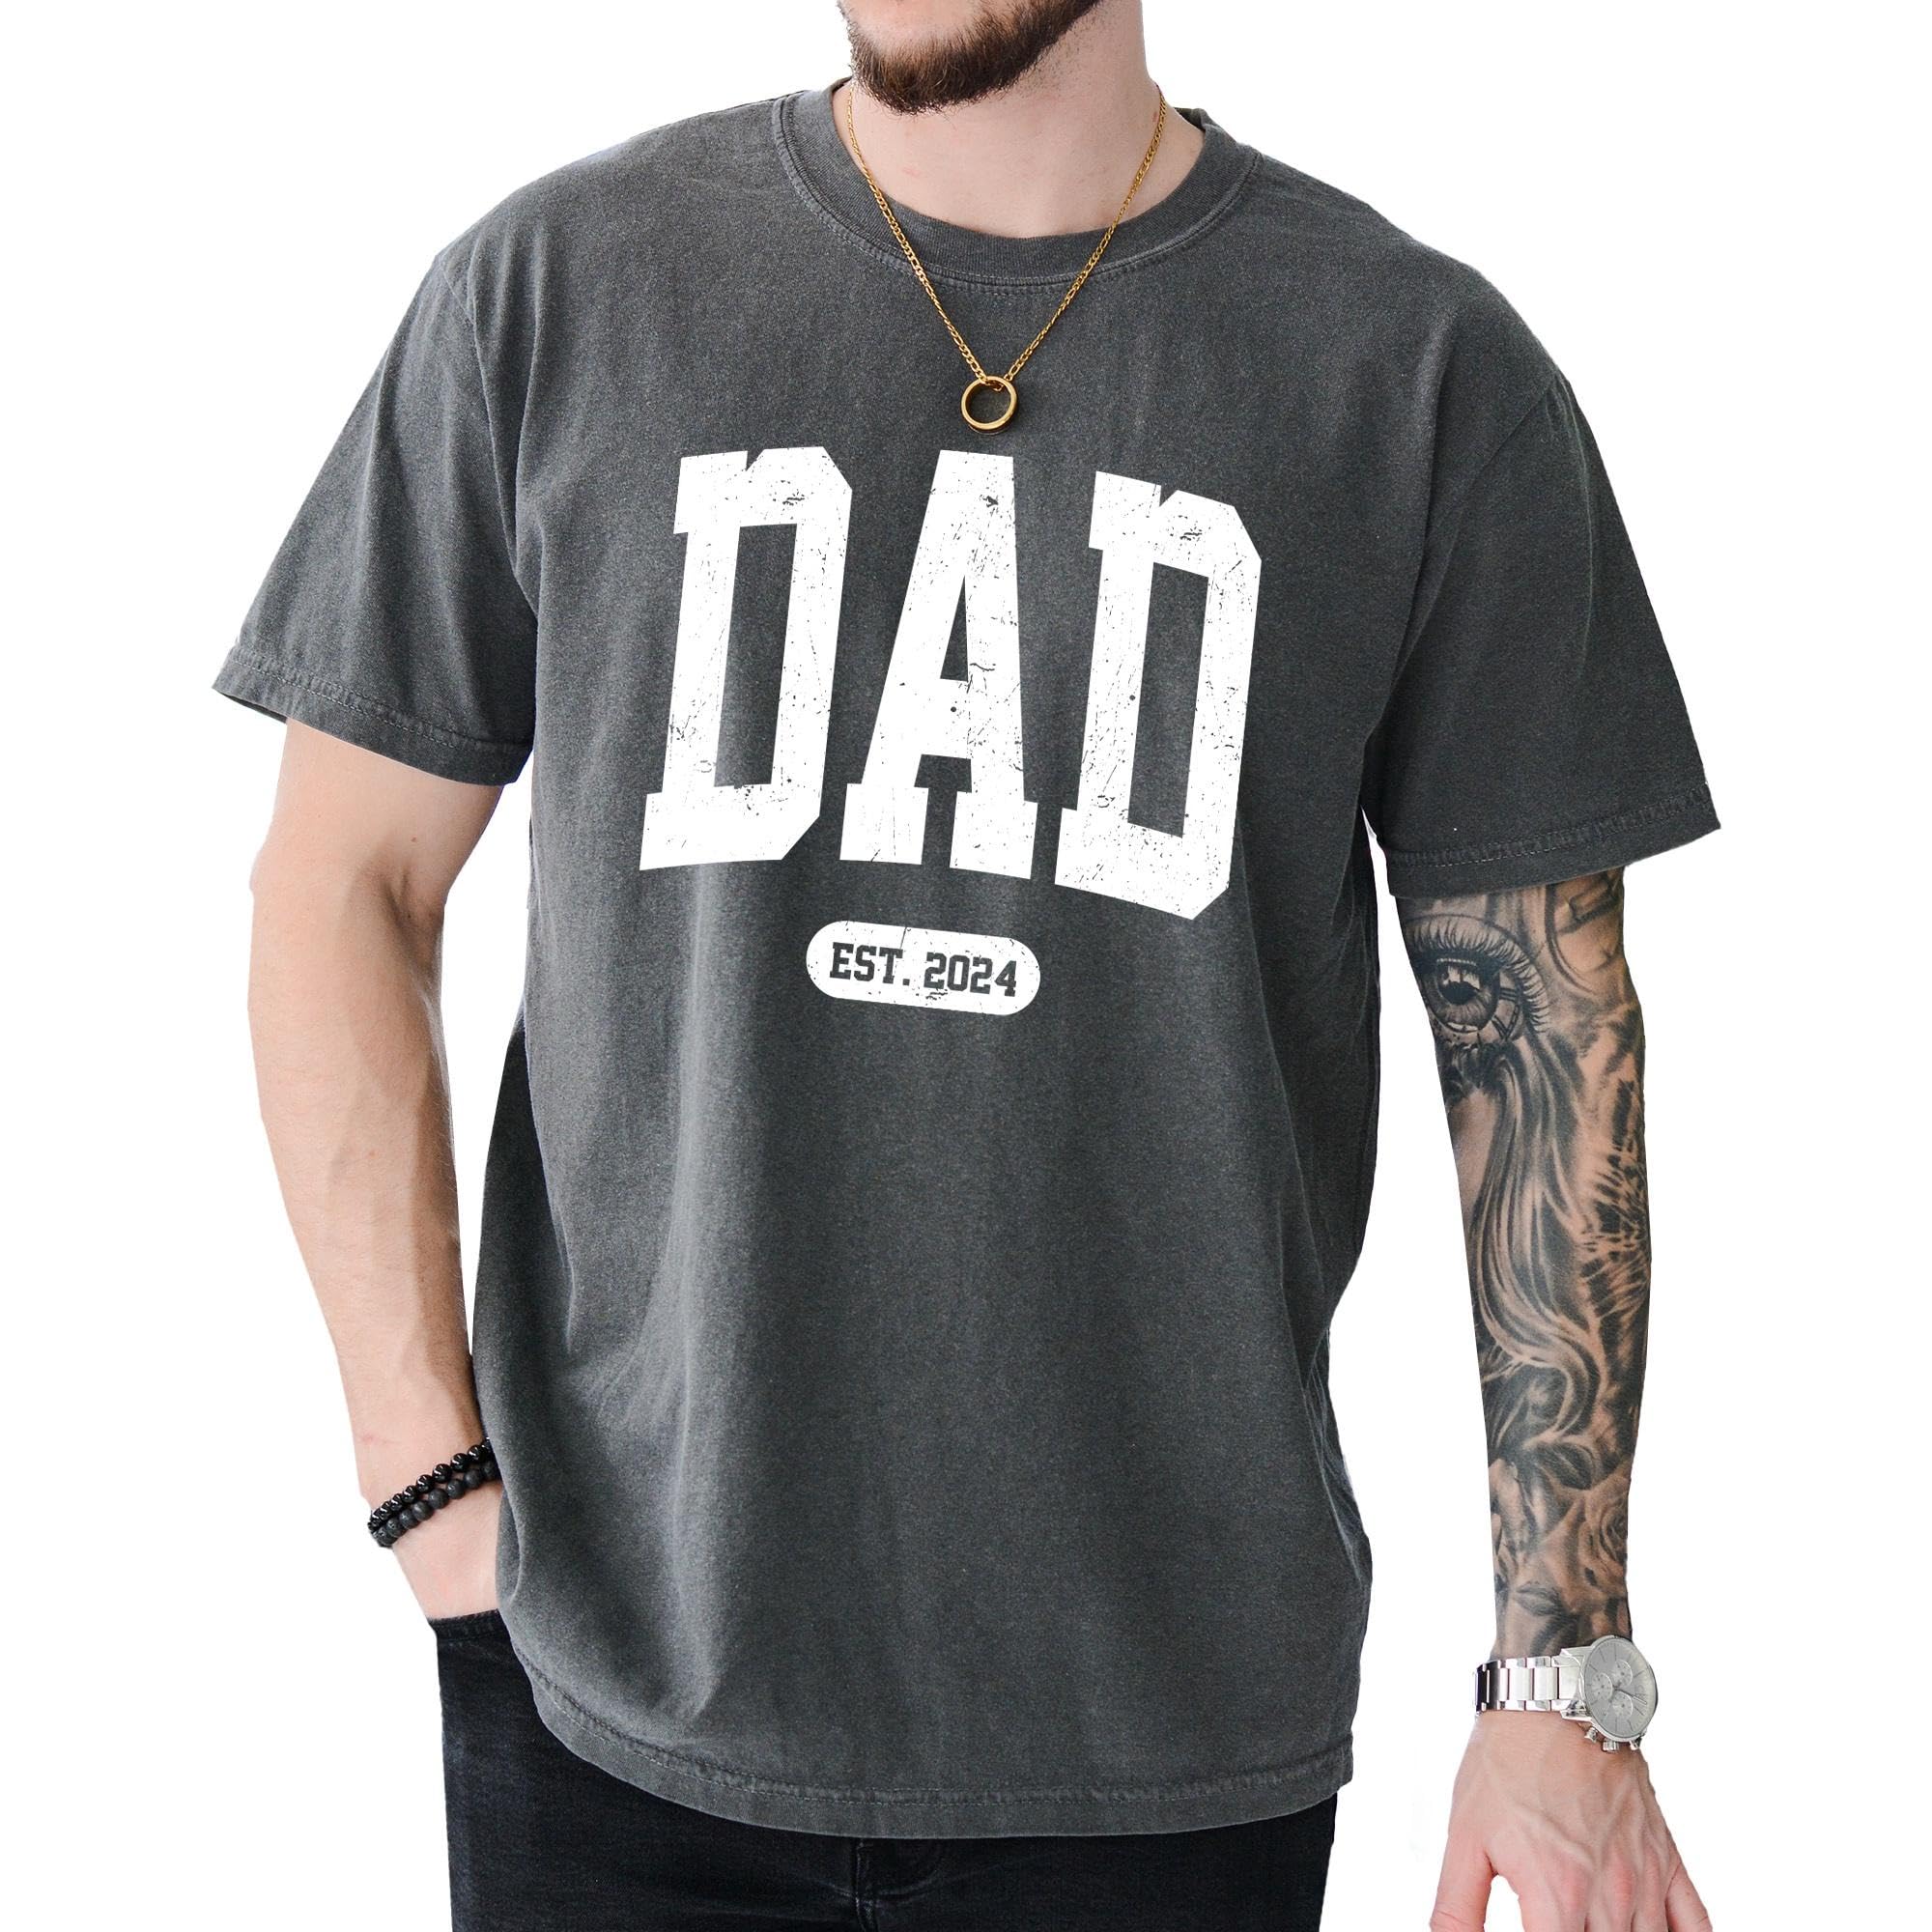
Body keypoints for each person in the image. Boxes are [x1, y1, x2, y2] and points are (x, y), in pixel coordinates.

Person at [217, 3, 1719, 1926]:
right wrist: (427, 1483)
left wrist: (1561, 1680)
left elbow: (1544, 1029)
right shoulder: (559, 292)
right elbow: (341, 880)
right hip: (604, 1697)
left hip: (1169, 1731)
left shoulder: (1416, 370)